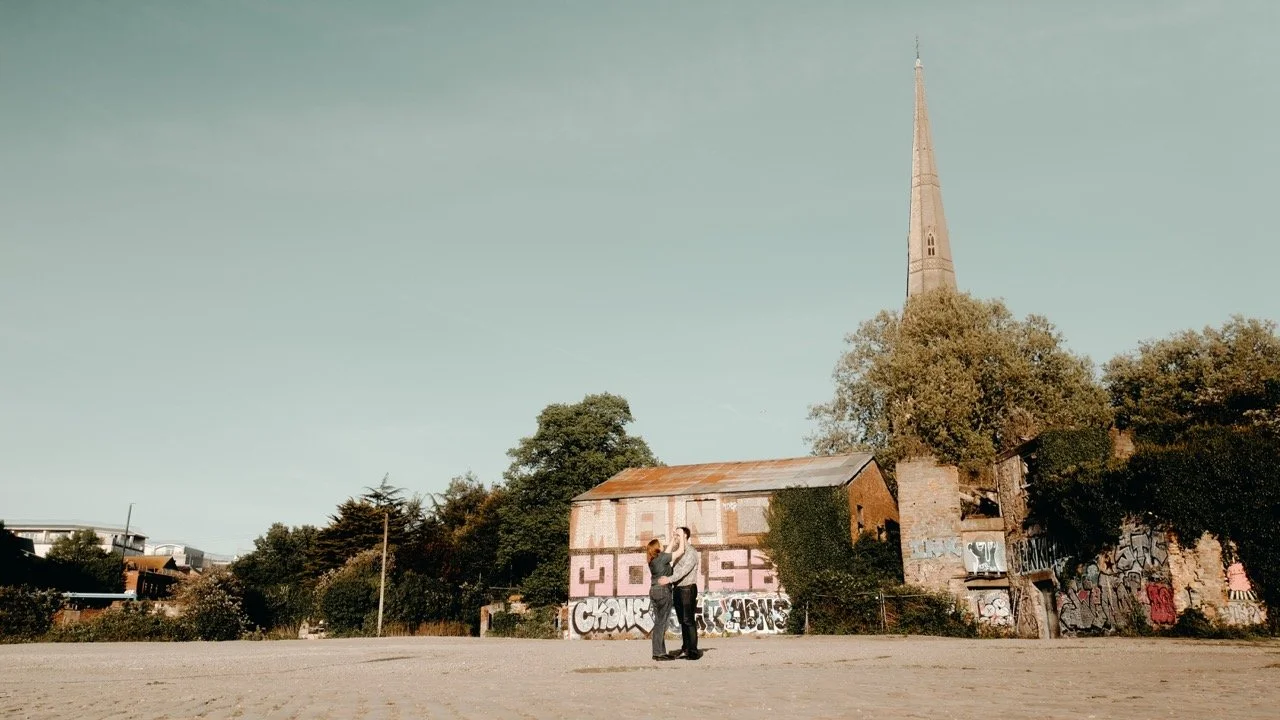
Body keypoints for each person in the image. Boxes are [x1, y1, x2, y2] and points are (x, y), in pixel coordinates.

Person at [645, 533, 684, 661]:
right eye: (661, 544)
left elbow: (667, 552)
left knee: (658, 622)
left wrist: (673, 539)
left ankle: (659, 652)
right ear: (657, 548)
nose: (663, 545)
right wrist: (682, 537)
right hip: (663, 591)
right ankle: (658, 653)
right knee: (662, 623)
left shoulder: (653, 559)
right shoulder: (662, 558)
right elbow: (680, 551)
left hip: (653, 591)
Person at [666, 526, 702, 660]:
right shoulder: (678, 552)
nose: (676, 537)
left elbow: (682, 572)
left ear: (685, 536)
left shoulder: (691, 552)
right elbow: (667, 562)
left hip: (687, 588)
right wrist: (672, 541)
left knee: (688, 620)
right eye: (675, 535)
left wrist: (668, 580)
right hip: (678, 589)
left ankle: (693, 651)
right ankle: (685, 648)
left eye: (678, 535)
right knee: (683, 621)